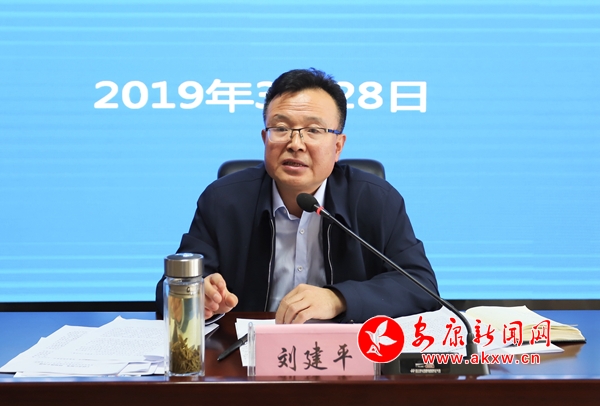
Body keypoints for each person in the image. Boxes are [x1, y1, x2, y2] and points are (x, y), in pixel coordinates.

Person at [156, 68, 439, 324]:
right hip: (244, 354)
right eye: (281, 129)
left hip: (345, 356)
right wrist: (197, 294)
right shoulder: (223, 200)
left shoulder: (375, 200)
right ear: (265, 139)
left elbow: (421, 285)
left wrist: (338, 298)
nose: (295, 144)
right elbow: (168, 288)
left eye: (313, 130)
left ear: (338, 146)